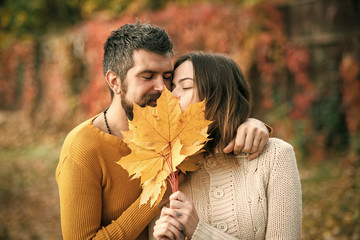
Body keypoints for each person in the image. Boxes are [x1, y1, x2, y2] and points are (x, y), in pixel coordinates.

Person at [56, 22, 271, 240]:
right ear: (115, 82)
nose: (162, 87)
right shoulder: (83, 147)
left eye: (167, 76)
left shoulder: (173, 129)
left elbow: (216, 122)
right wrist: (155, 199)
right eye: (147, 76)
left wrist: (252, 124)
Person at [151, 52, 302, 240]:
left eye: (186, 86)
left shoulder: (276, 156)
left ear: (219, 94)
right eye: (173, 87)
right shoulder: (169, 167)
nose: (172, 96)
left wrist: (200, 232)